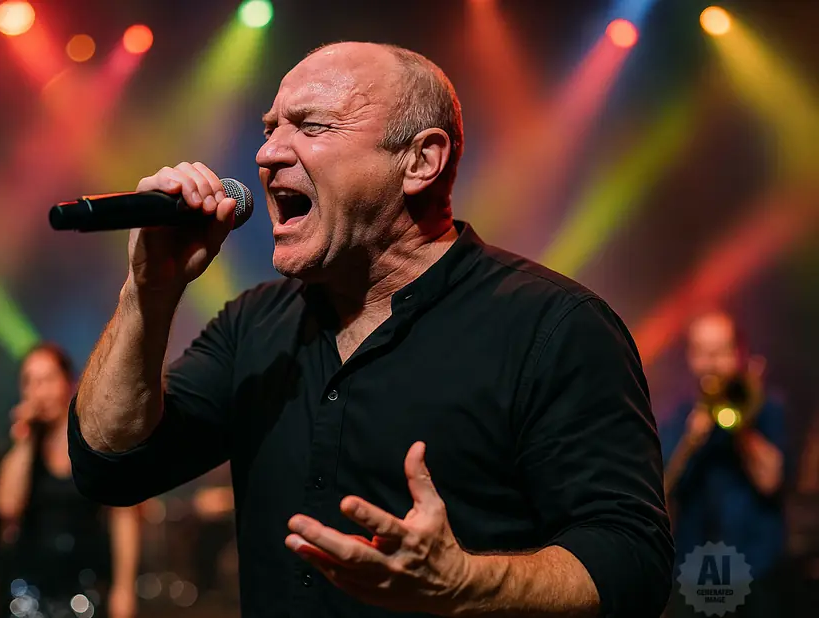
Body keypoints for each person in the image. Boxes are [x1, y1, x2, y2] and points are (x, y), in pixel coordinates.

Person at [67, 41, 674, 617]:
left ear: (420, 161)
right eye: (269, 127)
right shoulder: (254, 323)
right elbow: (112, 466)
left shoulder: (553, 327)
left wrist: (464, 584)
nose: (267, 153)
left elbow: (631, 564)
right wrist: (148, 288)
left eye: (311, 126)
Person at [0, 343, 141, 618]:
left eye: (47, 380)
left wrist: (124, 588)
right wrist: (24, 442)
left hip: (86, 586)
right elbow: (7, 507)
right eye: (30, 382)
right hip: (29, 590)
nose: (39, 392)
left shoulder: (92, 441)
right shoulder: (21, 446)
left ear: (68, 383)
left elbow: (124, 515)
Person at [660, 311, 786, 618]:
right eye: (702, 352)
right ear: (690, 357)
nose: (712, 363)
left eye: (720, 352)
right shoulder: (678, 416)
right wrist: (690, 439)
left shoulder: (766, 407)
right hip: (695, 567)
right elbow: (662, 489)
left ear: (739, 353)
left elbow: (770, 480)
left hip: (757, 565)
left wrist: (741, 426)